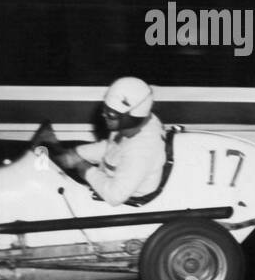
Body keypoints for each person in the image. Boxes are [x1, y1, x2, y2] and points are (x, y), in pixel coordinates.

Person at [34, 77, 166, 206]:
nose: (103, 115)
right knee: (57, 155)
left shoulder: (142, 151)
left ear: (131, 117)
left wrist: (84, 168)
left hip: (117, 201)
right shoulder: (136, 125)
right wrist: (76, 154)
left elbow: (114, 196)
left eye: (111, 114)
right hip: (110, 176)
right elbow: (113, 147)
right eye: (105, 109)